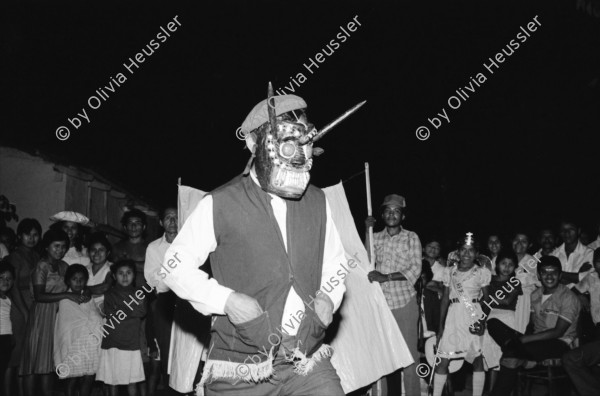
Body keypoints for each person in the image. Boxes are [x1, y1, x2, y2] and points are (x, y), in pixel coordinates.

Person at [162, 91, 352, 396]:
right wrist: (227, 301)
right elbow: (174, 267)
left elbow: (336, 264)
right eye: (286, 145)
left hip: (306, 358)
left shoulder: (318, 201)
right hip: (242, 364)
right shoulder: (220, 202)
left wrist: (329, 298)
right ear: (253, 144)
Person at [488, 256, 581, 396]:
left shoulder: (569, 297)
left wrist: (524, 341)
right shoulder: (535, 294)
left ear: (560, 275)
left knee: (511, 355)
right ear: (538, 275)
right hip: (537, 341)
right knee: (493, 323)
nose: (549, 276)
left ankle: (518, 356)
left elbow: (558, 332)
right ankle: (520, 354)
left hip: (559, 343)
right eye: (544, 272)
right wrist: (523, 338)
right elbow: (531, 324)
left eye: (554, 272)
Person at [19, 229, 91, 396]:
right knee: (35, 360)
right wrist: (67, 294)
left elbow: (77, 283)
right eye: (56, 246)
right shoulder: (41, 266)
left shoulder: (64, 266)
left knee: (50, 361)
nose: (60, 250)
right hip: (42, 315)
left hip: (59, 315)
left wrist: (85, 292)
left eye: (63, 247)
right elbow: (39, 295)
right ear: (46, 247)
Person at [365, 194, 422, 396]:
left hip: (404, 303)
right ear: (382, 214)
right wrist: (367, 230)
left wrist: (386, 277)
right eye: (388, 210)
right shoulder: (375, 236)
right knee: (382, 356)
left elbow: (415, 269)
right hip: (381, 305)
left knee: (408, 356)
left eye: (396, 211)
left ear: (402, 216)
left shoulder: (411, 237)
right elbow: (367, 262)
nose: (392, 214)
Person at [433, 232, 490, 396]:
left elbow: (486, 300)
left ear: (477, 253)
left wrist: (482, 321)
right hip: (453, 316)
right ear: (457, 252)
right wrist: (440, 327)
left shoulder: (481, 272)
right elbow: (444, 300)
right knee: (443, 360)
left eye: (471, 250)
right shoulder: (449, 271)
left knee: (477, 360)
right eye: (463, 250)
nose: (467, 254)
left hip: (473, 316)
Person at [97, 260, 147, 396]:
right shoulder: (110, 294)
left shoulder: (139, 293)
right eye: (120, 273)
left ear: (134, 276)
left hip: (131, 343)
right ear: (114, 276)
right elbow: (111, 314)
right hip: (112, 342)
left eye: (128, 273)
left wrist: (121, 309)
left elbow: (141, 312)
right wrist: (130, 309)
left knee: (132, 381)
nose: (125, 277)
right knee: (113, 380)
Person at [3, 218, 42, 395]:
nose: (31, 238)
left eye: (35, 235)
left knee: (27, 356)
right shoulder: (14, 256)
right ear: (19, 236)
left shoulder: (36, 256)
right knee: (14, 356)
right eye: (28, 234)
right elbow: (14, 286)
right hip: (19, 309)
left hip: (34, 306)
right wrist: (25, 312)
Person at [111, 209, 151, 377]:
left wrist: (130, 262)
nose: (134, 227)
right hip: (123, 299)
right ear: (125, 227)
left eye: (138, 223)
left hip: (147, 299)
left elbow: (155, 271)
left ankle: (142, 381)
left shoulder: (151, 247)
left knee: (144, 341)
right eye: (130, 223)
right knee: (123, 341)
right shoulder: (117, 247)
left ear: (144, 227)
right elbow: (114, 272)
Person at [54, 264, 104, 396]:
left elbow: (95, 316)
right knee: (71, 378)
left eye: (81, 279)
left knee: (88, 378)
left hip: (89, 344)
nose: (78, 282)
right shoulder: (64, 300)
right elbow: (64, 326)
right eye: (74, 279)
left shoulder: (88, 298)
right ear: (68, 281)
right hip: (72, 345)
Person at [144, 206, 178, 395]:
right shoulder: (154, 247)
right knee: (166, 353)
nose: (172, 221)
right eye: (168, 218)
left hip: (189, 303)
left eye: (176, 217)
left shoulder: (190, 243)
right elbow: (151, 279)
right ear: (160, 222)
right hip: (165, 302)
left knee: (188, 353)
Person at [481, 250, 522, 389]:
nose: (506, 267)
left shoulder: (514, 282)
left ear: (515, 267)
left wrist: (487, 299)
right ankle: (490, 390)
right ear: (497, 264)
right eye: (503, 263)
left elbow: (506, 300)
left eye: (511, 265)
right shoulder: (489, 280)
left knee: (501, 356)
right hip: (489, 316)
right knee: (490, 356)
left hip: (506, 320)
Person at [562, 249, 600, 395]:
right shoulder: (592, 277)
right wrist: (581, 296)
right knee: (573, 359)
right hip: (597, 330)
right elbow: (574, 291)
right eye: (598, 261)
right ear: (594, 264)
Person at [511, 232, 541, 333]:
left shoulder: (534, 262)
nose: (519, 243)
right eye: (517, 240)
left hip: (524, 303)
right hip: (505, 302)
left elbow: (542, 285)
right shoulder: (504, 258)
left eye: (524, 241)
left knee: (520, 332)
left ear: (529, 245)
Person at [552, 219, 594, 288]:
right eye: (563, 230)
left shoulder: (589, 253)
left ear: (578, 231)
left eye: (571, 229)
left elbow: (586, 280)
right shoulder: (554, 254)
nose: (566, 233)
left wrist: (558, 273)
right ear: (559, 233)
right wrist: (578, 273)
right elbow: (552, 281)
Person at [85, 233, 114, 313]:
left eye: (101, 250)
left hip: (104, 311)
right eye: (93, 250)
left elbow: (106, 286)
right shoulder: (84, 269)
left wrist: (83, 290)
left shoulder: (112, 268)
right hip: (85, 310)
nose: (97, 253)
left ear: (107, 253)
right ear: (88, 252)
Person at [0, 262, 16, 395]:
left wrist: (11, 337)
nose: (5, 281)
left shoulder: (7, 299)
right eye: (1, 278)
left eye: (9, 278)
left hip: (5, 340)